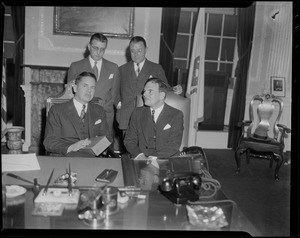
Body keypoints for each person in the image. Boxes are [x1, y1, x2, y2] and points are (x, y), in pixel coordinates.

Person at [116, 36, 182, 136]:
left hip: (147, 117)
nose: (136, 54)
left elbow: (165, 88)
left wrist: (175, 89)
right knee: (129, 148)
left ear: (146, 50)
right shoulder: (122, 70)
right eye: (132, 51)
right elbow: (115, 91)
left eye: (139, 50)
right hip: (126, 118)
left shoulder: (156, 68)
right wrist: (118, 105)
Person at [44, 71, 112, 157]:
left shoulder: (99, 111)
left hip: (92, 159)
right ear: (75, 88)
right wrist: (72, 147)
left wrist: (99, 148)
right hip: (66, 157)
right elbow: (49, 142)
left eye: (92, 87)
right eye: (85, 86)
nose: (89, 91)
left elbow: (107, 137)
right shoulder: (57, 110)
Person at [67, 33, 120, 140]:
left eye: (102, 49)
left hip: (105, 116)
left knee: (104, 146)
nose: (99, 52)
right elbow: (70, 94)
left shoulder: (113, 68)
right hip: (83, 115)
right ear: (89, 47)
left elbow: (115, 95)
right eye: (95, 48)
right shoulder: (76, 66)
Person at [124, 77, 184, 162]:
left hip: (166, 160)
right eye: (144, 91)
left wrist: (152, 158)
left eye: (150, 91)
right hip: (142, 159)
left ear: (161, 95)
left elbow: (173, 145)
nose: (144, 94)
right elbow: (129, 140)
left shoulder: (176, 115)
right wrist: (140, 156)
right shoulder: (137, 113)